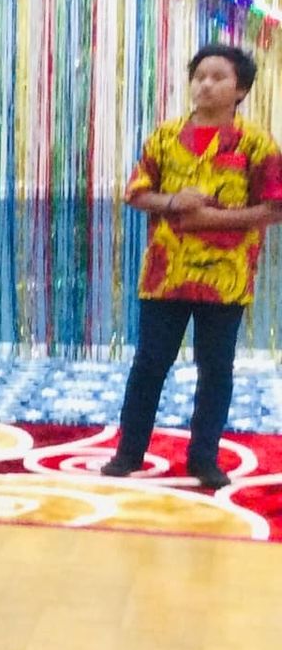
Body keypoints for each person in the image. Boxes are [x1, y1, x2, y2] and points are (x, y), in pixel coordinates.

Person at [101, 43, 282, 490]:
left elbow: (274, 207)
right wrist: (173, 202)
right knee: (148, 365)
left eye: (218, 77)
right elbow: (137, 193)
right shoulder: (164, 136)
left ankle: (204, 459)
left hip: (225, 276)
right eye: (199, 75)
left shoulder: (257, 145)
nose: (205, 84)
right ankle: (128, 454)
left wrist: (216, 220)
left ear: (240, 89)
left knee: (216, 368)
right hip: (167, 274)